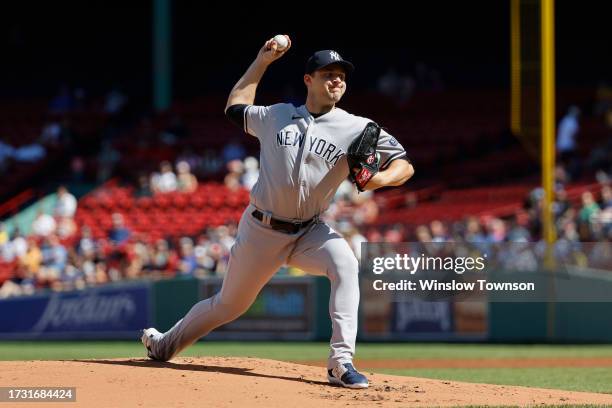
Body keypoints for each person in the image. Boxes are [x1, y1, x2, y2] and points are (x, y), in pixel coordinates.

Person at [141, 36, 414, 389]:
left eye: (341, 76)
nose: (337, 81)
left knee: (345, 263)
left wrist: (379, 179)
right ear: (308, 80)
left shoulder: (357, 127)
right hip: (261, 229)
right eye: (327, 74)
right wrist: (261, 61)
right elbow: (234, 106)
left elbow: (404, 165)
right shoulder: (276, 115)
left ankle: (340, 362)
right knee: (229, 305)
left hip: (309, 232)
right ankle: (163, 345)